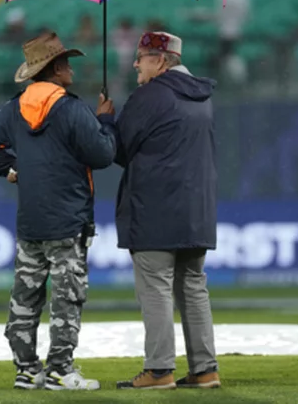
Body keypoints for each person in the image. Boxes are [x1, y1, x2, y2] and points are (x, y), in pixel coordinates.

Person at [0, 32, 116, 391]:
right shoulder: (72, 108)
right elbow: (103, 156)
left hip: (31, 221)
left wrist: (11, 169)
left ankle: (26, 369)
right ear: (55, 69)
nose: (70, 68)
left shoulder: (17, 107)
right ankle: (60, 371)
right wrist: (106, 122)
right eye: (65, 62)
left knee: (26, 295)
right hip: (68, 221)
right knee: (67, 298)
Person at [113, 31, 220, 390]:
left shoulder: (151, 95)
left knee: (155, 289)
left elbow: (119, 149)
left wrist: (102, 120)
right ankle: (205, 369)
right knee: (193, 287)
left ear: (160, 61)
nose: (135, 64)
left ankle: (159, 370)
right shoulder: (202, 96)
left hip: (155, 208)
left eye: (142, 57)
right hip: (196, 210)